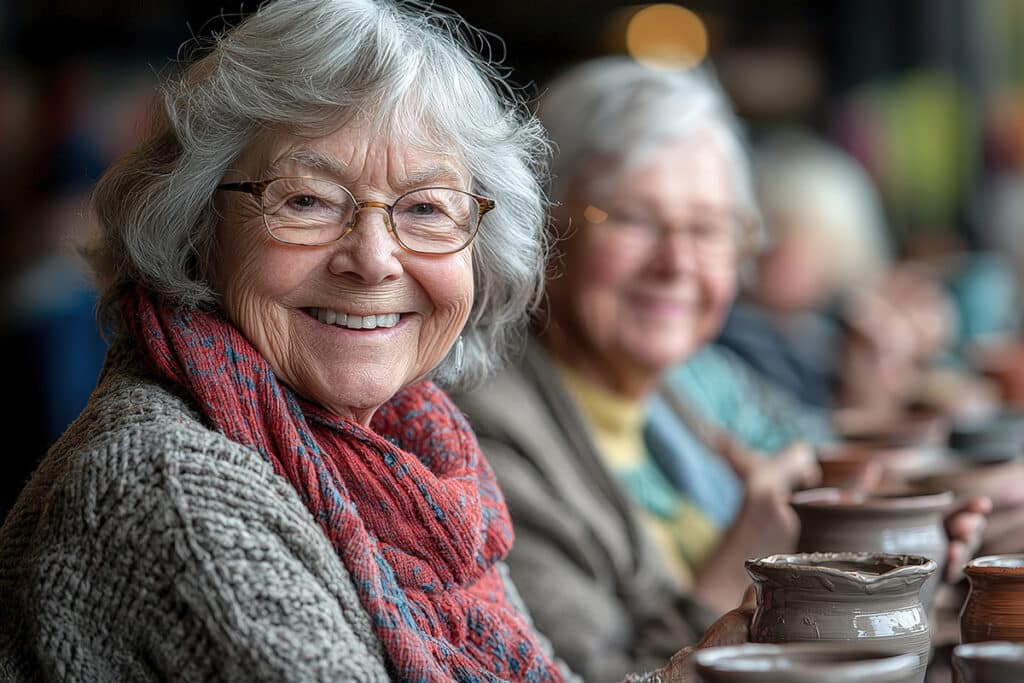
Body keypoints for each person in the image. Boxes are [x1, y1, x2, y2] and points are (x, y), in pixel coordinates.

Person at [0, 3, 747, 680]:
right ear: (199, 228)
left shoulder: (412, 456)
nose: (375, 258)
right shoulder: (175, 486)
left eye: (425, 208)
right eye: (308, 200)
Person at [453, 57, 989, 683]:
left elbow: (818, 457)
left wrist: (901, 543)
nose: (677, 262)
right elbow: (586, 674)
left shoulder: (686, 383)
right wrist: (747, 554)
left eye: (709, 228)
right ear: (544, 226)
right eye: (632, 218)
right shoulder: (480, 434)